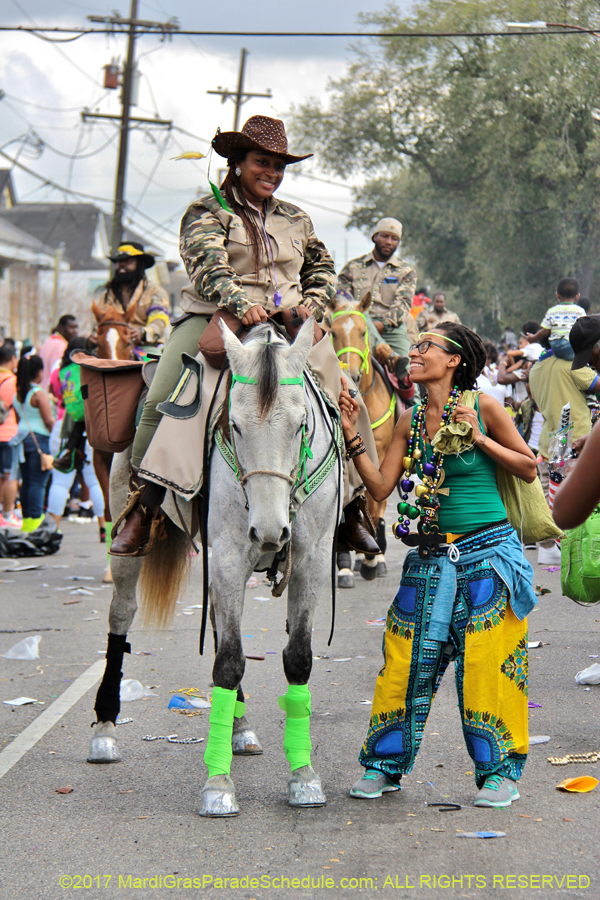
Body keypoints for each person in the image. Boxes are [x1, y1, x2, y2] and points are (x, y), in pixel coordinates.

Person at [110, 115, 380, 558]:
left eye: (279, 165)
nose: (272, 172)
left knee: (345, 396)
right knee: (165, 400)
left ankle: (352, 507)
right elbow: (206, 264)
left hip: (290, 324)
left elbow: (323, 269)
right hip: (215, 320)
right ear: (237, 162)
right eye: (262, 162)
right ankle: (146, 506)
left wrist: (311, 305)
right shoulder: (206, 211)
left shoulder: (297, 218)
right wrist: (239, 301)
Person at [339, 322, 537, 808]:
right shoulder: (408, 418)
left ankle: (499, 774)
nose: (415, 351)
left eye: (427, 346)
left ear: (453, 361)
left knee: (487, 669)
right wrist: (353, 439)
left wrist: (479, 439)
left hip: (488, 555)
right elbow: (381, 489)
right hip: (427, 558)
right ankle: (383, 768)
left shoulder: (485, 407)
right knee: (403, 666)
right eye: (416, 344)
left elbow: (529, 465)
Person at [336, 218, 417, 379]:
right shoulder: (353, 267)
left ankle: (413, 403)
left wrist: (384, 324)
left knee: (408, 372)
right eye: (385, 236)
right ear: (375, 237)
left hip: (391, 330)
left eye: (394, 239)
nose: (389, 242)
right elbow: (341, 298)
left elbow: (403, 303)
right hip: (354, 327)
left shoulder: (405, 271)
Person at [47, 339, 105, 539]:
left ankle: (52, 530)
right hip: (91, 427)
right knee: (95, 480)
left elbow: (56, 393)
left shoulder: (61, 371)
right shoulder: (89, 366)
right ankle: (103, 528)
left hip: (65, 426)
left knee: (60, 482)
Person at [94, 242, 171, 349]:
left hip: (143, 346)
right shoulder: (107, 294)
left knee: (152, 364)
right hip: (112, 346)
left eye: (128, 261)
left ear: (139, 264)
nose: (122, 265)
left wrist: (143, 333)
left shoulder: (155, 291)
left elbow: (160, 321)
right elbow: (98, 322)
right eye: (119, 261)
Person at [12, 354, 55, 532]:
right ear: (38, 372)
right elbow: (49, 421)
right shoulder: (39, 394)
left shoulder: (19, 395)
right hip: (39, 440)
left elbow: (18, 418)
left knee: (27, 482)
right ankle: (37, 522)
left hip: (21, 439)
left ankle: (27, 522)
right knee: (38, 482)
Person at [526, 277, 585, 361]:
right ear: (577, 296)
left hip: (556, 349)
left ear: (557, 295)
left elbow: (544, 331)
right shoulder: (580, 311)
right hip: (571, 349)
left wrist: (533, 338)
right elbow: (585, 330)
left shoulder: (552, 311)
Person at [0, 342, 20, 528]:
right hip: (8, 434)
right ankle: (7, 515)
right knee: (10, 476)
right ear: (13, 358)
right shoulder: (13, 381)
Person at [38, 315, 79, 390]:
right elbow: (56, 374)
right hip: (51, 395)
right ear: (62, 327)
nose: (75, 331)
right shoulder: (61, 346)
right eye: (72, 327)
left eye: (76, 327)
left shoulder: (48, 341)